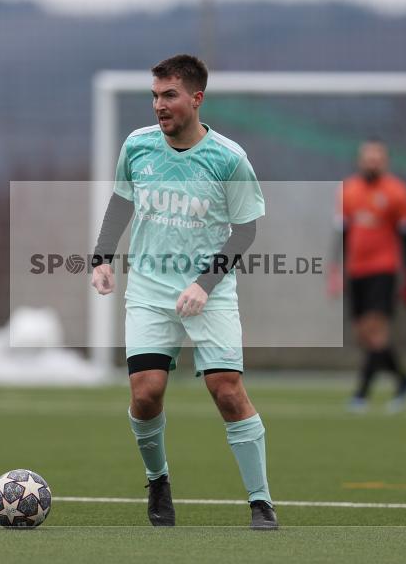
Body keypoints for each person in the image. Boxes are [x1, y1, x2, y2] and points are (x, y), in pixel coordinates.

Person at [91, 54, 277, 530]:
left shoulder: (229, 159)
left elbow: (245, 231)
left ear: (196, 99)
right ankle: (158, 483)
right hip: (150, 290)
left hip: (209, 292)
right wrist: (102, 257)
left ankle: (261, 502)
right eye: (154, 95)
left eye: (169, 95)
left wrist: (204, 282)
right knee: (147, 393)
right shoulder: (137, 146)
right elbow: (120, 201)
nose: (159, 105)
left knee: (227, 391)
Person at [328, 139, 406, 413]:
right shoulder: (348, 190)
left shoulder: (398, 192)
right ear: (360, 160)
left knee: (376, 330)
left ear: (385, 161)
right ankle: (404, 380)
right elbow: (343, 234)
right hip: (357, 270)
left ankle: (361, 394)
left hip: (384, 269)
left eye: (377, 158)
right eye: (367, 158)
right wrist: (337, 269)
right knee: (363, 335)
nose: (372, 162)